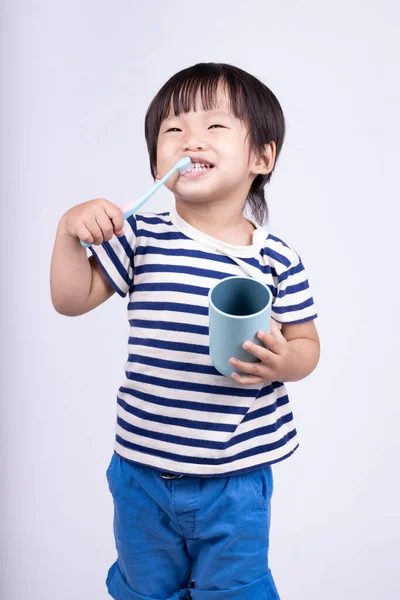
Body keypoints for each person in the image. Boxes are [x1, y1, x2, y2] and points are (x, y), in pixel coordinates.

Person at [50, 62, 320, 600]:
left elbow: (307, 344)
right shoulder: (140, 236)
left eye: (214, 127)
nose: (189, 138)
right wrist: (67, 230)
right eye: (172, 130)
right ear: (157, 161)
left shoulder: (275, 258)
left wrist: (283, 361)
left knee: (235, 590)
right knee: (143, 589)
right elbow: (69, 300)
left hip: (236, 477)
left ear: (261, 158)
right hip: (141, 473)